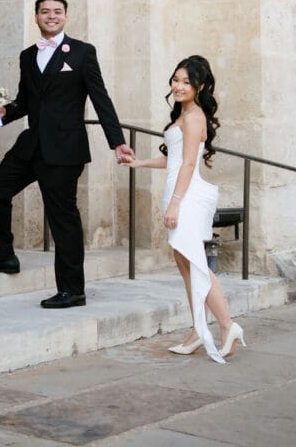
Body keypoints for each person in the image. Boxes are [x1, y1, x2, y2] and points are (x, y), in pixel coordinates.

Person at [0, 0, 135, 308]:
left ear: (65, 17)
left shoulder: (83, 53)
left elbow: (101, 99)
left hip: (65, 150)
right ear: (36, 17)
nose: (51, 16)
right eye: (45, 11)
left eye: (57, 11)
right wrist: (3, 112)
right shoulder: (28, 56)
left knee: (62, 218)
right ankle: (3, 257)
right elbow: (26, 101)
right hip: (32, 146)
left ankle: (73, 290)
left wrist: (118, 141)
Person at [122, 55, 246, 362]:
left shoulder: (194, 117)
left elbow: (190, 163)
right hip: (178, 192)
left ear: (199, 86)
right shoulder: (183, 114)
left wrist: (176, 203)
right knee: (186, 266)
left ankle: (228, 326)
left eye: (186, 82)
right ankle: (197, 331)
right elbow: (174, 159)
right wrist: (139, 162)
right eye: (175, 80)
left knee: (196, 265)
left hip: (187, 197)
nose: (178, 86)